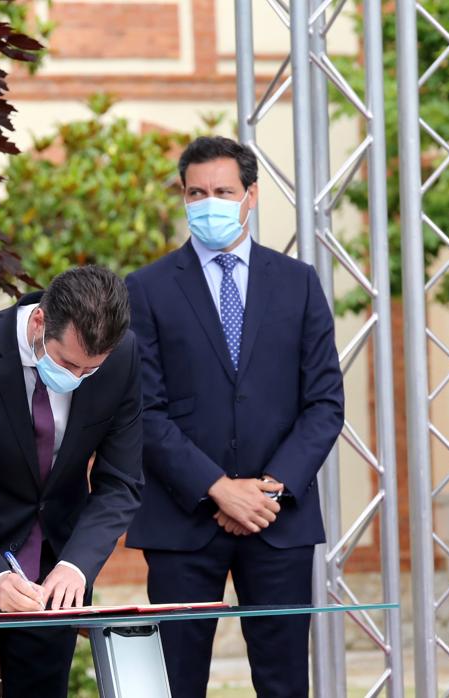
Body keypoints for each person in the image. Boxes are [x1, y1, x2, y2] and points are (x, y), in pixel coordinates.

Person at [124, 135, 344, 697]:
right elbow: (144, 410)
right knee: (175, 683)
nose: (209, 203)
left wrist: (267, 491)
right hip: (182, 519)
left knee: (285, 681)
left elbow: (324, 403)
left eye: (223, 191)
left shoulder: (298, 283)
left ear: (251, 195)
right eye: (196, 193)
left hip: (279, 521)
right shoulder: (145, 289)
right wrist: (219, 489)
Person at [0, 265, 144, 698]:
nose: (77, 378)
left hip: (54, 579)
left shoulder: (123, 356)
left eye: (91, 370)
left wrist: (76, 565)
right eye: (68, 363)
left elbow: (121, 483)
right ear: (39, 321)